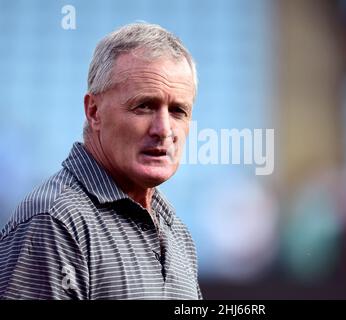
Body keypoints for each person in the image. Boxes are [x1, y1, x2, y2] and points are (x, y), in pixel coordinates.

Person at [0, 22, 202, 300]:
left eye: (178, 111)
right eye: (144, 106)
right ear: (93, 111)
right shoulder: (54, 223)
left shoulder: (177, 233)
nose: (164, 129)